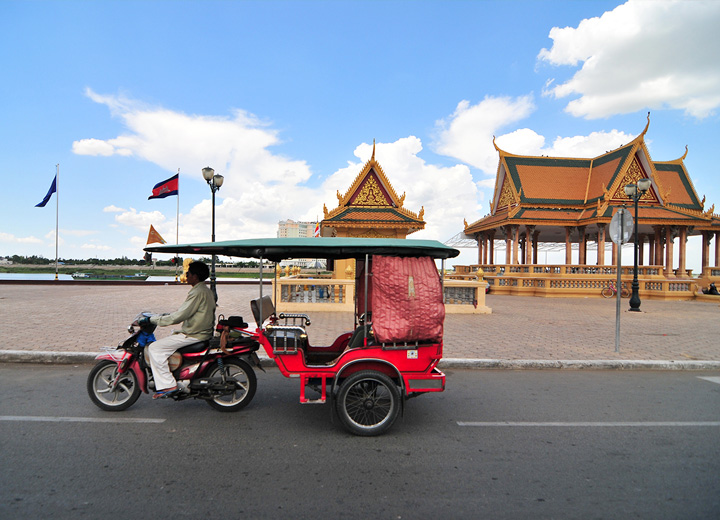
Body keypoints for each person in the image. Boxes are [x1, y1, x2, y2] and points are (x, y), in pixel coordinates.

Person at [143, 260, 216, 399]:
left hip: (194, 334)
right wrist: (163, 316)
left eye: (188, 274)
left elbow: (179, 316)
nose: (186, 276)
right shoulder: (203, 290)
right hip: (199, 332)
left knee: (155, 348)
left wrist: (152, 320)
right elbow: (184, 311)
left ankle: (167, 385)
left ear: (195, 276)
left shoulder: (198, 292)